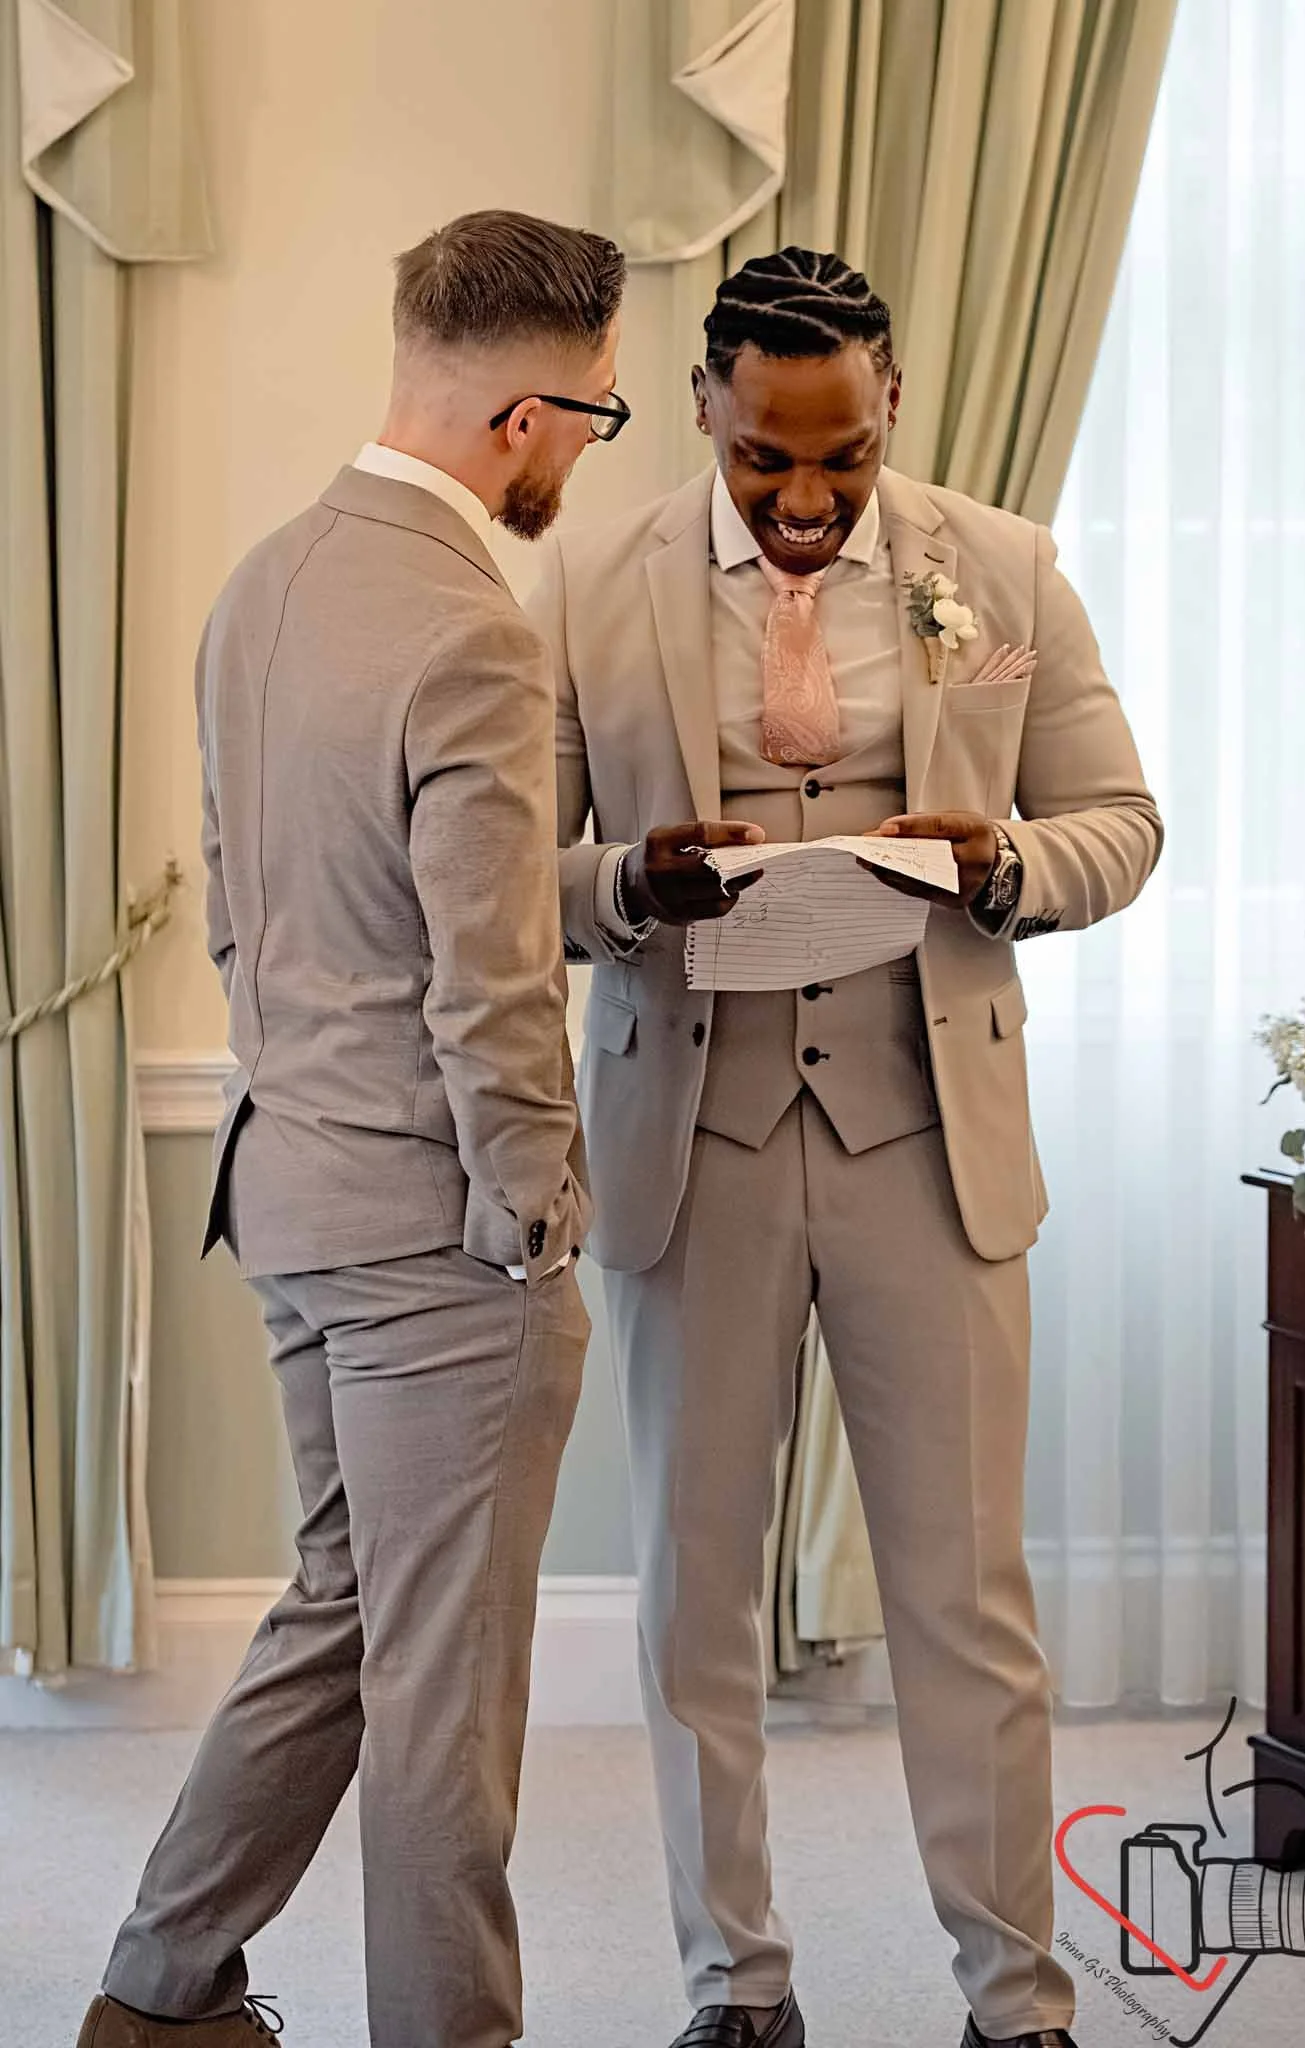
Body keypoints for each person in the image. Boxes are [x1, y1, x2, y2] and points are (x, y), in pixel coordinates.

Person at [529, 247, 1163, 2048]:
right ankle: (736, 1987)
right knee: (695, 1597)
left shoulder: (1003, 569)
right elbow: (513, 866)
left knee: (967, 1597)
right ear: (704, 410)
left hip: (927, 1140)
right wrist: (626, 885)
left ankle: (1017, 2000)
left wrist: (1004, 864)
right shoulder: (589, 579)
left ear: (892, 406)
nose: (805, 502)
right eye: (763, 460)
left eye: (844, 459)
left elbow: (1121, 822)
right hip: (695, 1138)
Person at [78, 209, 629, 2048]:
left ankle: (159, 1993)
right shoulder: (473, 630)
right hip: (434, 1244)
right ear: (525, 418)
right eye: (597, 416)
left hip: (288, 1188)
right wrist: (535, 1214)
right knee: (447, 1693)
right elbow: (491, 980)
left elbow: (243, 909)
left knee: (339, 1604)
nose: (585, 451)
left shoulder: (263, 584)